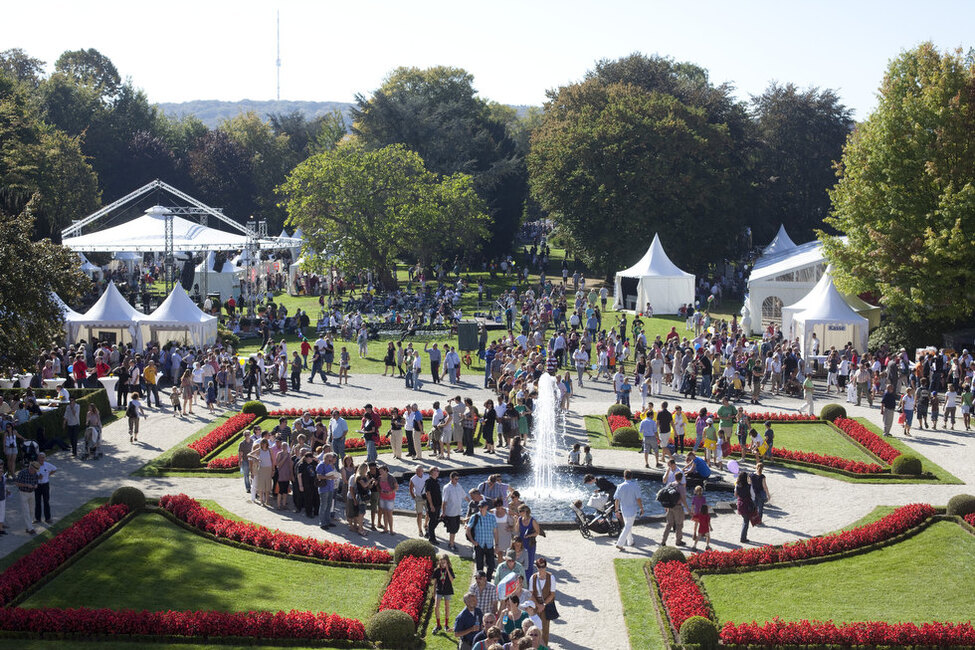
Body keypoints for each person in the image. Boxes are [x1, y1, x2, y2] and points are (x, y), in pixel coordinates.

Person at [528, 557, 556, 646]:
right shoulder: (533, 577)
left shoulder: (551, 577)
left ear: (546, 566)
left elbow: (552, 594)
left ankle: (544, 647)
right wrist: (538, 605)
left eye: (543, 566)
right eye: (539, 567)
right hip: (535, 604)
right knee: (533, 627)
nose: (541, 569)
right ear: (537, 567)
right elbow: (531, 594)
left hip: (546, 604)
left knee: (544, 628)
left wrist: (543, 605)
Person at [467, 500, 499, 579]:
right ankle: (480, 582)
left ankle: (487, 580)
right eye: (479, 507)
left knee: (491, 566)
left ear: (486, 507)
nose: (481, 509)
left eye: (482, 507)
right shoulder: (475, 517)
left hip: (489, 544)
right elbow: (468, 530)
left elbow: (495, 532)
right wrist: (473, 541)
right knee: (479, 567)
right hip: (479, 545)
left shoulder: (492, 517)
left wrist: (497, 544)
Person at [614, 469, 644, 551]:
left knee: (628, 525)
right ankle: (620, 543)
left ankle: (630, 541)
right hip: (632, 509)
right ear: (631, 476)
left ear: (624, 476)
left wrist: (616, 510)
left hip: (623, 509)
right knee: (628, 526)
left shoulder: (620, 486)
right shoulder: (635, 486)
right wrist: (641, 508)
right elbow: (638, 499)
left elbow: (617, 500)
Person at [442, 471, 466, 551]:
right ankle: (451, 544)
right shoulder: (447, 487)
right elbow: (444, 501)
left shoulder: (459, 486)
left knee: (456, 528)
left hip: (458, 512)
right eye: (456, 479)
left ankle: (451, 542)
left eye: (458, 479)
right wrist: (443, 512)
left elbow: (464, 496)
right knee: (452, 529)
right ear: (451, 478)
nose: (457, 480)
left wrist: (472, 502)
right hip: (451, 512)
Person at [14, 461, 39, 534]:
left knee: (32, 510)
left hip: (32, 493)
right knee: (26, 511)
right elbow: (16, 483)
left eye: (35, 471)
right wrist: (26, 485)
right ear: (31, 468)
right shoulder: (22, 472)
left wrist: (36, 485)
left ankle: (29, 526)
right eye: (34, 470)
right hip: (23, 493)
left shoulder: (35, 473)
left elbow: (36, 481)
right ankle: (30, 528)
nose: (34, 472)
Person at [433, 554, 456, 633]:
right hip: (439, 590)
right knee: (436, 607)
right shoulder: (437, 570)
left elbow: (452, 579)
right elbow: (435, 582)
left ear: (447, 562)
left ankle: (446, 625)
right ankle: (438, 625)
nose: (443, 564)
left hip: (447, 590)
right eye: (441, 562)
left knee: (447, 607)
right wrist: (433, 592)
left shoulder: (450, 569)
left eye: (444, 563)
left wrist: (447, 570)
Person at [516, 505, 541, 578]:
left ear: (525, 511)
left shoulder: (532, 520)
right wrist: (516, 521)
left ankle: (529, 579)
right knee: (520, 561)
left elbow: (537, 532)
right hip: (521, 543)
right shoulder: (519, 519)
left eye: (520, 511)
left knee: (530, 562)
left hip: (530, 543)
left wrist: (529, 535)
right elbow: (516, 530)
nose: (519, 513)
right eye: (519, 511)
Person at [33, 452, 56, 525]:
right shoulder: (34, 465)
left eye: (43, 457)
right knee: (37, 502)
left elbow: (55, 469)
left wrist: (49, 474)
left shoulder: (47, 465)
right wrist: (37, 477)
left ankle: (48, 518)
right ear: (38, 458)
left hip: (45, 485)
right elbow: (31, 475)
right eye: (40, 457)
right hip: (37, 485)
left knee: (46, 501)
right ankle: (37, 518)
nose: (42, 459)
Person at [425, 466, 443, 544]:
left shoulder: (437, 481)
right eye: (436, 471)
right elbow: (428, 493)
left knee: (436, 519)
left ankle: (429, 532)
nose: (437, 472)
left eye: (438, 471)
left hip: (438, 504)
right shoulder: (429, 481)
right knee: (433, 520)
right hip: (433, 504)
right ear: (432, 472)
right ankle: (432, 539)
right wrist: (431, 505)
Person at [735, 471, 755, 544]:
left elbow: (735, 494)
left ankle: (743, 537)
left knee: (745, 520)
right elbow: (753, 496)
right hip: (747, 504)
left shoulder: (737, 485)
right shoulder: (749, 486)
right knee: (746, 522)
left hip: (740, 504)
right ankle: (743, 538)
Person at [409, 465, 427, 536]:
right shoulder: (413, 479)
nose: (418, 472)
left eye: (419, 471)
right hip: (418, 497)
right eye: (417, 471)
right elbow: (410, 489)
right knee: (419, 514)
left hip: (426, 497)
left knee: (428, 513)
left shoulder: (427, 477)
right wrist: (414, 497)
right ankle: (420, 530)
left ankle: (425, 524)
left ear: (422, 471)